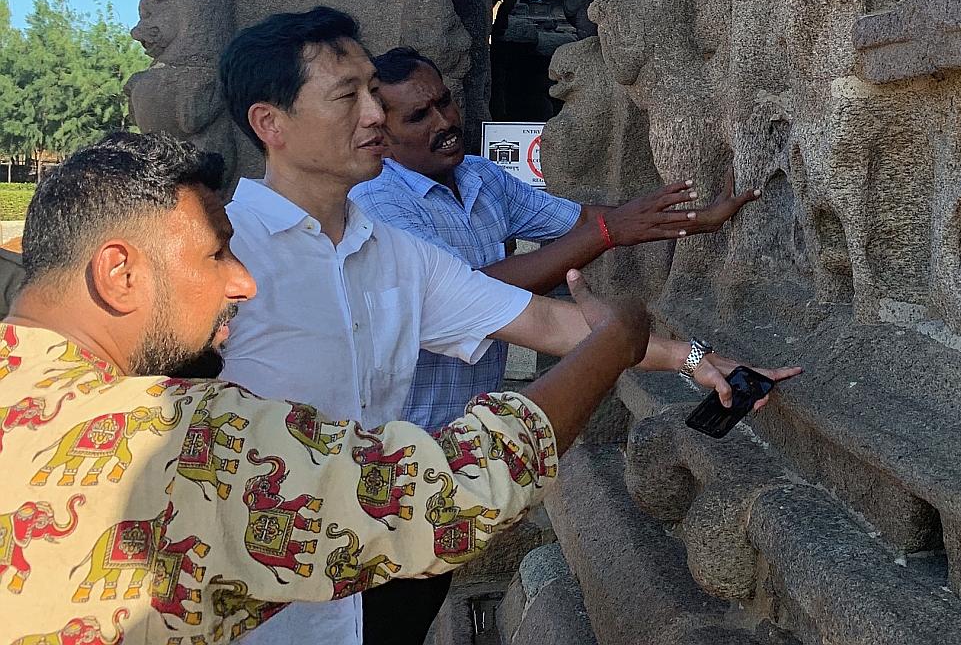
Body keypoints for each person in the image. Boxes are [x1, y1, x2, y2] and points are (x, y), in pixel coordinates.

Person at [213, 8, 799, 645]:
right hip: (257, 594)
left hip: (393, 555)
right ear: (270, 124)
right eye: (346, 96)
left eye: (371, 94)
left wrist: (698, 362)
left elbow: (544, 321)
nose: (374, 115)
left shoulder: (394, 253)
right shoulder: (215, 254)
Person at [0, 132, 650, 644]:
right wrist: (612, 343)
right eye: (215, 255)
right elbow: (452, 495)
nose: (244, 284)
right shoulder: (182, 445)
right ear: (119, 272)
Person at [351, 44, 765, 644]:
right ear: (379, 134)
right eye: (419, 116)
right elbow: (484, 298)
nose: (444, 122)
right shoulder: (375, 205)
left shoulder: (477, 175)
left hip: (460, 452)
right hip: (395, 459)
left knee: (417, 600)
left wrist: (690, 222)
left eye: (444, 102)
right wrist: (606, 235)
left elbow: (575, 229)